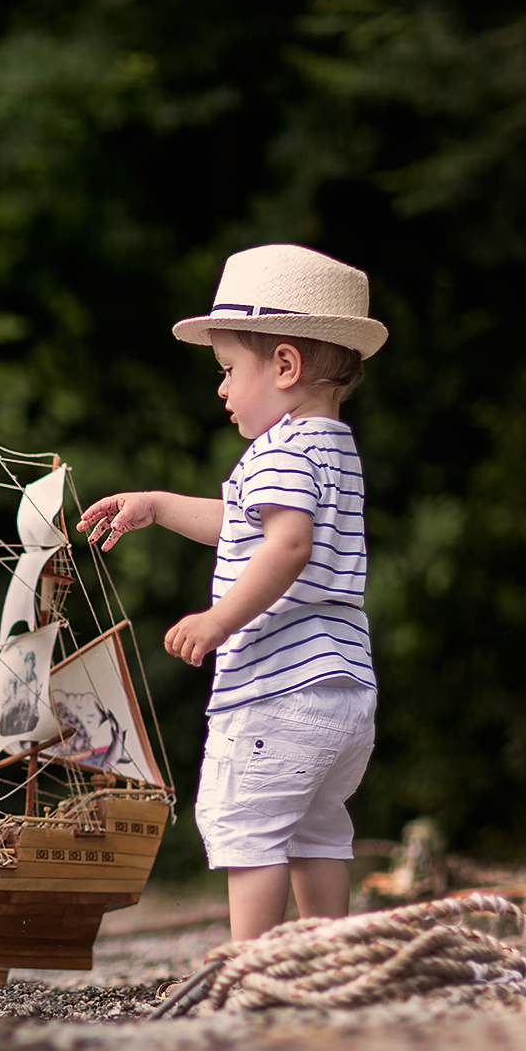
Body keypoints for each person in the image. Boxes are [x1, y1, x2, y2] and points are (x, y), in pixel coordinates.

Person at [76, 244, 385, 941]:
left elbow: (286, 545)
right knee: (317, 830)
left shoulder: (278, 450)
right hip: (343, 692)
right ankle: (329, 955)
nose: (221, 390)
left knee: (250, 823)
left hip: (279, 688)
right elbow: (248, 525)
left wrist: (219, 618)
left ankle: (253, 964)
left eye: (228, 371)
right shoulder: (331, 447)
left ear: (283, 365)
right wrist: (156, 502)